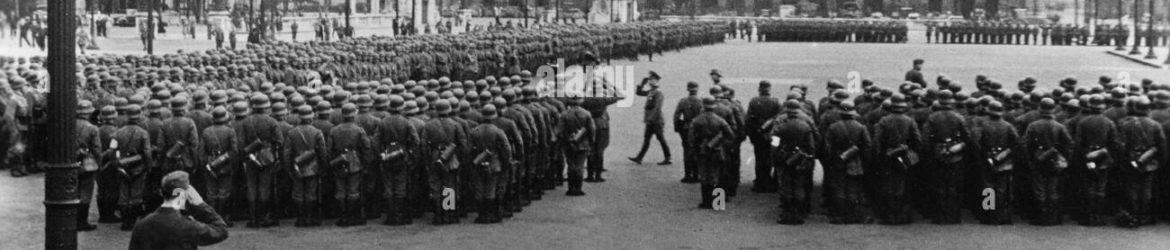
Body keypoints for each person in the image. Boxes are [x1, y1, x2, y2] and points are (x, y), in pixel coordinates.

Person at [129, 171, 230, 250]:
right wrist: (201, 205)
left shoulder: (141, 225)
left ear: (162, 192)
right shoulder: (189, 226)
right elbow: (221, 230)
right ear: (182, 194)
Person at [689, 96, 733, 209]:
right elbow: (730, 135)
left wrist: (696, 147)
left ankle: (706, 202)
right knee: (716, 176)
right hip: (717, 151)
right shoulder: (720, 120)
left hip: (702, 151)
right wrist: (719, 139)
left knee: (704, 176)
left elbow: (691, 138)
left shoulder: (696, 120)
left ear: (703, 106)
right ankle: (717, 202)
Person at [629, 71, 670, 166]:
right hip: (650, 120)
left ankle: (668, 157)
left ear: (656, 81)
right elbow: (639, 93)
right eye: (649, 79)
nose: (650, 81)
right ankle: (639, 157)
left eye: (652, 79)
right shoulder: (651, 92)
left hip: (656, 120)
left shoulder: (658, 93)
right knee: (647, 139)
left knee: (660, 138)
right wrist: (641, 84)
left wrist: (651, 118)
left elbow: (657, 107)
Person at [674, 82, 703, 183]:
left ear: (687, 89)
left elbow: (676, 116)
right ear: (697, 89)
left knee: (687, 152)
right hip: (698, 129)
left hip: (686, 129)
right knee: (697, 151)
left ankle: (687, 175)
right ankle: (697, 175)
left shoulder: (683, 101)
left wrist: (678, 129)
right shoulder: (701, 101)